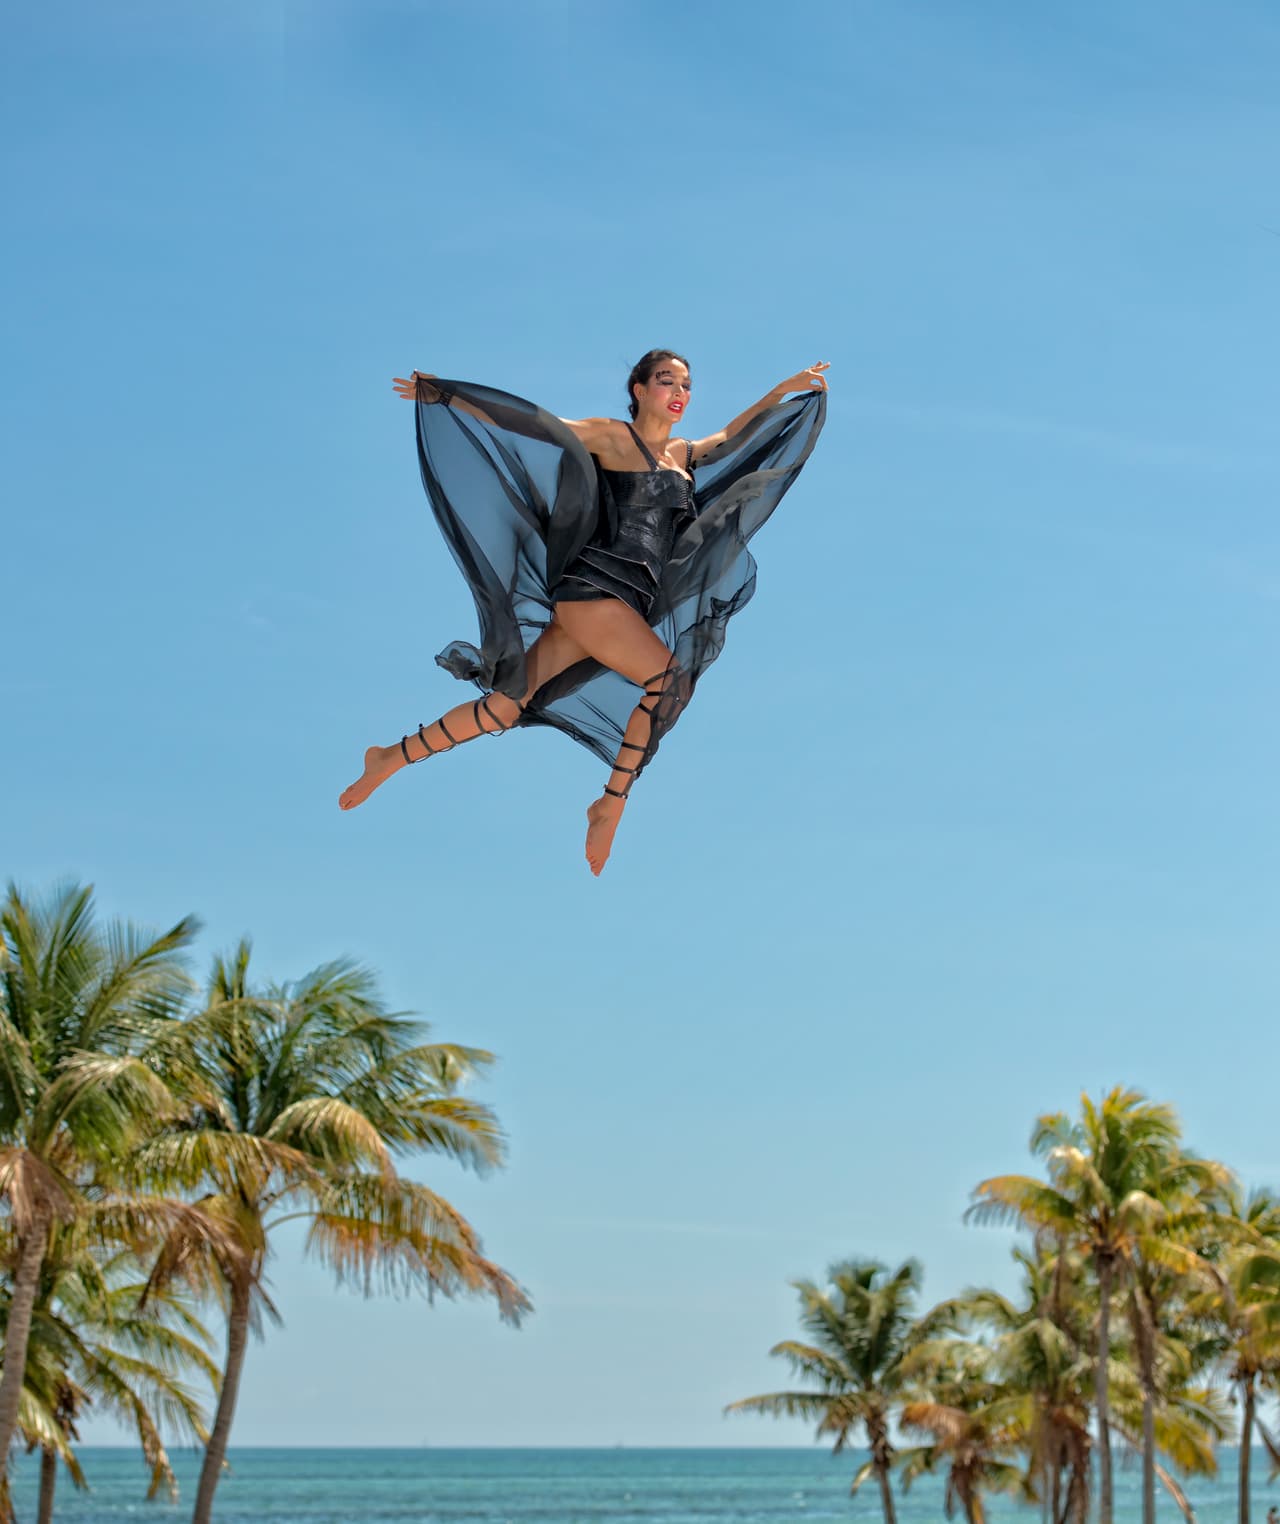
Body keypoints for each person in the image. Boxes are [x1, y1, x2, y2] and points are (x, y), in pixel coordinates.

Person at [339, 350, 828, 874]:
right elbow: (537, 425)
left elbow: (731, 438)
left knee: (506, 708)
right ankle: (610, 804)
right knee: (668, 681)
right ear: (639, 389)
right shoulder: (612, 436)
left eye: (686, 384)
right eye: (667, 381)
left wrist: (783, 390)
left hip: (618, 607)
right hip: (594, 592)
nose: (679, 392)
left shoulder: (683, 455)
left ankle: (389, 756)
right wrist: (450, 395)